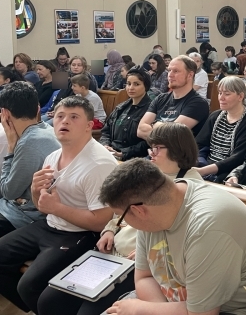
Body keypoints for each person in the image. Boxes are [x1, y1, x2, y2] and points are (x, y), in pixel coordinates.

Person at [36, 123, 203, 315]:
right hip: (112, 252)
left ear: (177, 148)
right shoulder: (149, 171)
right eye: (151, 147)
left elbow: (184, 233)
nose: (151, 153)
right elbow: (120, 208)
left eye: (157, 148)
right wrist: (109, 230)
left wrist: (148, 251)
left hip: (140, 264)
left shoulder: (191, 184)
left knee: (88, 312)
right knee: (49, 301)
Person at [96, 158, 246, 314]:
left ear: (138, 211)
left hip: (231, 310)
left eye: (121, 217)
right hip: (174, 304)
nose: (122, 222)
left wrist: (141, 309)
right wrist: (156, 311)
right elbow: (144, 277)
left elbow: (201, 313)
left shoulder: (207, 227)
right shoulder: (155, 208)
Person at [0, 96, 117, 313]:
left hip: (80, 234)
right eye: (60, 116)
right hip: (50, 224)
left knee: (29, 286)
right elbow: (43, 206)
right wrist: (36, 190)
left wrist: (57, 209)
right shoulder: (53, 157)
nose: (65, 121)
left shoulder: (99, 164)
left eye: (74, 117)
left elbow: (101, 222)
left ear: (89, 126)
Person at [0, 82, 61, 238]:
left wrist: (11, 148)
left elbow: (8, 192)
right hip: (23, 207)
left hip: (23, 216)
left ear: (5, 113)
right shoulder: (47, 129)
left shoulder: (30, 141)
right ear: (38, 108)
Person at [195, 77, 246, 182]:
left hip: (228, 174)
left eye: (227, 94)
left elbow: (238, 158)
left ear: (240, 96)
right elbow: (198, 144)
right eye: (220, 93)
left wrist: (203, 171)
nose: (221, 98)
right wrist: (199, 163)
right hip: (205, 166)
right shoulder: (215, 115)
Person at [137, 55, 210, 139]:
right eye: (169, 70)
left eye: (176, 71)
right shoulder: (160, 98)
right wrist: (162, 129)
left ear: (190, 75)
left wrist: (154, 124)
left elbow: (172, 135)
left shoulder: (198, 103)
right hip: (152, 147)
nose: (170, 75)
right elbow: (140, 130)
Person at [99, 66, 152, 161]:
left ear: (146, 86)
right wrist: (105, 145)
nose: (131, 88)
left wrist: (123, 153)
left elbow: (148, 142)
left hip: (133, 159)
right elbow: (106, 131)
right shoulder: (121, 107)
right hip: (111, 153)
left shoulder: (151, 110)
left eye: (136, 84)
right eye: (128, 84)